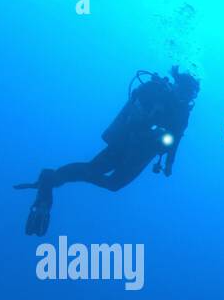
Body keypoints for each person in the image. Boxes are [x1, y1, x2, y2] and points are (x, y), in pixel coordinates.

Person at [15, 66, 199, 236]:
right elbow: (133, 108)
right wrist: (146, 121)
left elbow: (176, 140)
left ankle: (52, 177)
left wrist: (169, 164)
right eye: (183, 90)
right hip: (126, 142)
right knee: (94, 170)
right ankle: (49, 183)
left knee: (113, 185)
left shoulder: (183, 113)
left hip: (145, 153)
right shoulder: (154, 92)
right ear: (176, 84)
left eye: (189, 94)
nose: (184, 96)